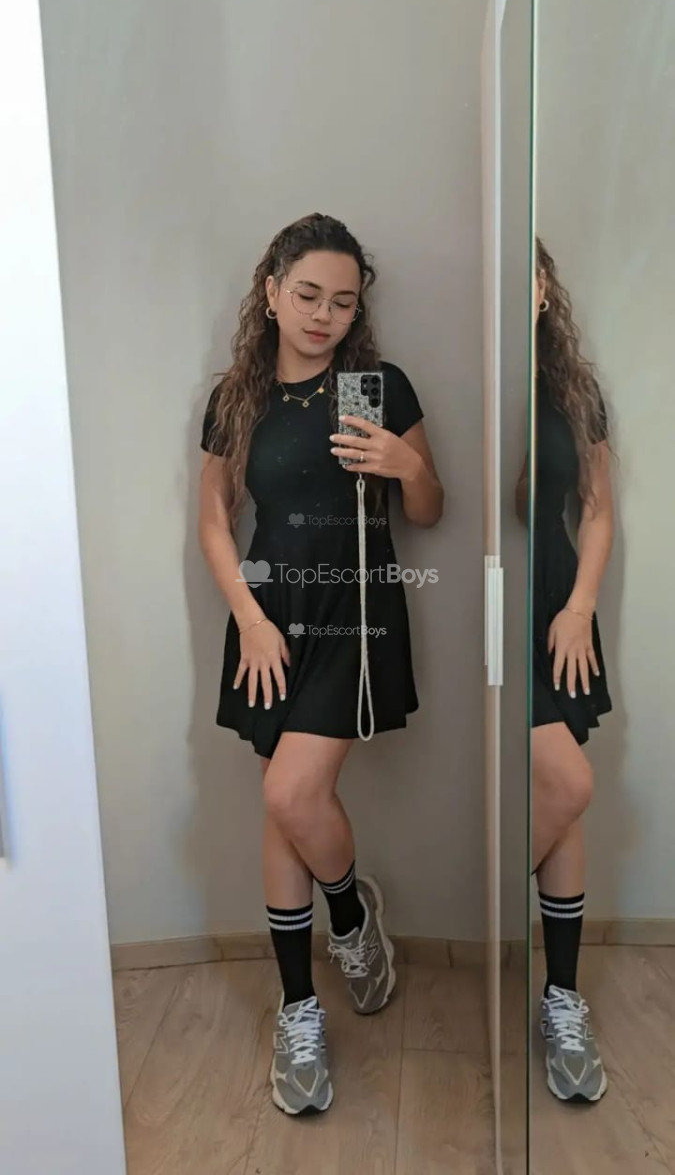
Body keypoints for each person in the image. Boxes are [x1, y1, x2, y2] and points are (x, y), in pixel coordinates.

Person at [198, 212, 443, 1116]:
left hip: (356, 611)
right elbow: (213, 521)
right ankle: (300, 1006)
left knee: (289, 794)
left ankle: (347, 916)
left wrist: (403, 462)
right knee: (281, 804)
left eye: (342, 302)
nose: (323, 316)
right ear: (270, 292)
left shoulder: (379, 386)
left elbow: (429, 509)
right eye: (307, 295)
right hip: (268, 617)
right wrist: (249, 620)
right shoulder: (236, 398)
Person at [516, 237, 614, 1104]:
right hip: (485, 601)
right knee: (565, 784)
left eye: (529, 277)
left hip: (555, 603)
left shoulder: (574, 390)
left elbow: (596, 510)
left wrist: (580, 605)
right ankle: (488, 917)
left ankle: (561, 995)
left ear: (545, 289)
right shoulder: (469, 381)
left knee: (567, 785)